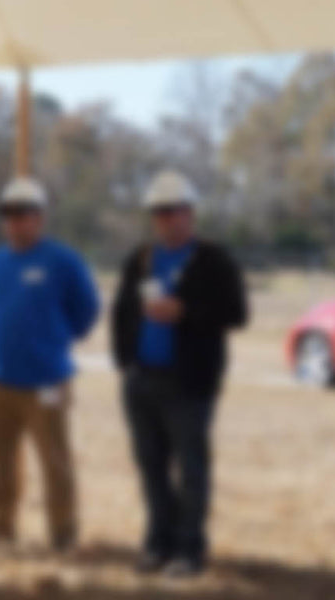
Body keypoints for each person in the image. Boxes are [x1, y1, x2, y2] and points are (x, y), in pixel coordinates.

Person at [111, 169, 248, 578]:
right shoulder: (140, 259)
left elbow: (237, 314)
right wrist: (126, 363)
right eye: (160, 211)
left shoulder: (214, 260)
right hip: (142, 380)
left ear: (191, 213)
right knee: (151, 467)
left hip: (189, 383)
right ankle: (158, 543)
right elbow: (121, 313)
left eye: (176, 210)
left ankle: (190, 550)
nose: (169, 218)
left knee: (191, 469)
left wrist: (185, 312)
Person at [0, 177, 99, 553]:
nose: (15, 221)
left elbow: (87, 311)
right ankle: (0, 526)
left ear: (40, 217)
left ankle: (62, 532)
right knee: (0, 460)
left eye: (23, 213)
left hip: (46, 382)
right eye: (8, 214)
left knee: (55, 461)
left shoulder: (62, 261)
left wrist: (54, 341)